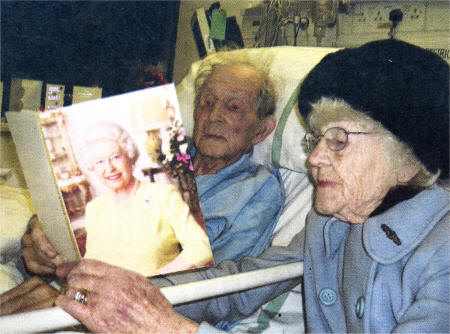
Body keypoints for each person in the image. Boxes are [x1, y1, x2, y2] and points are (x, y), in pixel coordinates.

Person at [53, 39, 448, 333]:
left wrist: (167, 328)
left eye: (339, 140)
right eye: (316, 140)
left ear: (409, 159)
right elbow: (234, 283)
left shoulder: (443, 253)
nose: (313, 159)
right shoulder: (330, 227)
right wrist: (120, 290)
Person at [4, 55, 285, 316]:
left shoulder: (257, 191)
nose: (214, 116)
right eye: (207, 103)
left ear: (261, 130)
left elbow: (208, 292)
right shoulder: (151, 152)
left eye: (234, 107)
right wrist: (40, 232)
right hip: (52, 286)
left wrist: (74, 301)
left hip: (118, 315)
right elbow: (71, 207)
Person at [80, 121, 212, 276]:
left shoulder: (164, 196)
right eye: (100, 162)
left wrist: (159, 277)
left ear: (129, 157)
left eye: (115, 157)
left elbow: (201, 247)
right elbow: (91, 263)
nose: (109, 168)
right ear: (93, 168)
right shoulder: (94, 209)